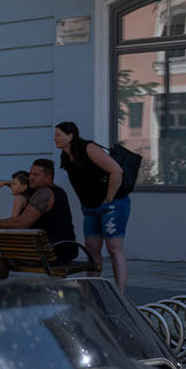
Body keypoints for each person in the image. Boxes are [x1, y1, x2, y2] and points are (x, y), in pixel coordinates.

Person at [0, 157, 79, 281]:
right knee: (3, 251)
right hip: (65, 249)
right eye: (30, 173)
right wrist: (7, 183)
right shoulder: (57, 191)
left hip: (52, 253)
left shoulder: (44, 193)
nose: (30, 177)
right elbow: (25, 189)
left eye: (36, 175)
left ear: (48, 177)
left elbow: (23, 222)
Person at [53, 121, 127, 290]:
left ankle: (121, 293)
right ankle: (92, 290)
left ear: (70, 136)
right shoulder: (66, 156)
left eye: (58, 135)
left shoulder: (89, 148)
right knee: (92, 249)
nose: (54, 138)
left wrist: (109, 198)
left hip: (112, 205)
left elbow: (117, 171)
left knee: (114, 248)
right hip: (89, 208)